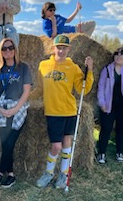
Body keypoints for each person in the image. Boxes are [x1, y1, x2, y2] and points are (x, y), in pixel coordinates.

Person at [32, 34, 94, 189]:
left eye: (64, 48)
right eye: (59, 47)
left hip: (69, 111)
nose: (61, 50)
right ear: (53, 48)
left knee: (66, 145)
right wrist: (26, 97)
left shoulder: (73, 68)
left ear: (68, 49)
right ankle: (48, 173)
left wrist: (90, 71)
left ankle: (63, 174)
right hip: (53, 112)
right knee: (56, 146)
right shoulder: (43, 65)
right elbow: (40, 89)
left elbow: (82, 89)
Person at [0, 38, 32, 188]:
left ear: (15, 49)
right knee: (5, 143)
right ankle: (11, 174)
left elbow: (26, 91)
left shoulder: (23, 67)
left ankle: (0, 173)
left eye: (10, 48)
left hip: (17, 108)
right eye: (4, 49)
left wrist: (15, 108)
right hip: (1, 108)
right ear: (0, 52)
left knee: (9, 142)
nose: (8, 51)